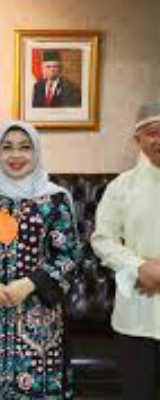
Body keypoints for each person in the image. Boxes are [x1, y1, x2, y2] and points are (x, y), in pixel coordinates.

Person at [0, 120, 77, 399]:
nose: (15, 155)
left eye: (25, 147)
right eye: (7, 147)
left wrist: (30, 283)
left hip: (37, 320)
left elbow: (68, 253)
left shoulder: (54, 200)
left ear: (36, 152)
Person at [91, 101, 160, 400]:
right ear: (138, 139)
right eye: (152, 133)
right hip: (136, 314)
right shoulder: (121, 186)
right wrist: (138, 267)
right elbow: (102, 239)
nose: (159, 140)